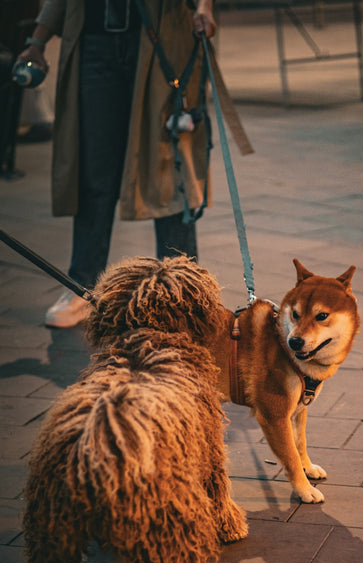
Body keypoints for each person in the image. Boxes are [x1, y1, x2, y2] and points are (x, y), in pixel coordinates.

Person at [17, 0, 216, 327]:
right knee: (93, 170)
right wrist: (37, 40)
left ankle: (180, 293)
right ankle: (81, 287)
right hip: (94, 41)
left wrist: (205, 6)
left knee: (167, 168)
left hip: (161, 37)